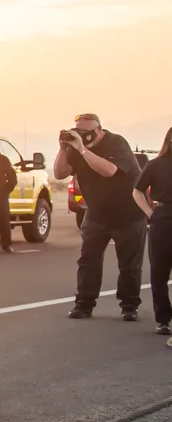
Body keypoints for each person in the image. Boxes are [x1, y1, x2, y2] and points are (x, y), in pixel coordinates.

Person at [55, 113, 143, 320]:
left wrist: (83, 149)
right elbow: (60, 173)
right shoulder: (75, 148)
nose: (81, 135)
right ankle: (83, 304)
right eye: (77, 131)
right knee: (88, 261)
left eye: (85, 132)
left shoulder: (116, 143)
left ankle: (129, 306)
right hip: (96, 214)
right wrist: (63, 147)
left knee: (129, 265)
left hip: (128, 214)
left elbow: (109, 170)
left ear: (99, 131)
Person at [132, 127, 172, 339]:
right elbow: (137, 190)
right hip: (163, 218)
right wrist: (149, 212)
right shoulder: (156, 165)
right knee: (159, 272)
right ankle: (163, 320)